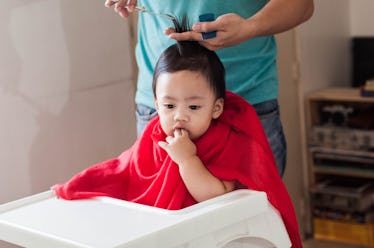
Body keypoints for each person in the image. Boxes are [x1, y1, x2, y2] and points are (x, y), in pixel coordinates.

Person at [53, 18, 302, 247]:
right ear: (156, 103)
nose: (179, 115)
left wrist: (187, 160)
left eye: (193, 106)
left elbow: (216, 196)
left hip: (218, 237)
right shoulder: (155, 135)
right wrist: (77, 185)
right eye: (169, 106)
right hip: (168, 232)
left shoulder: (228, 140)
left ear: (216, 108)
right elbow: (122, 170)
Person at [104, 0, 314, 177]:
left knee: (255, 216)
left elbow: (302, 5)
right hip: (157, 110)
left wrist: (250, 27)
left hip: (248, 101)